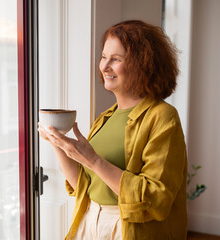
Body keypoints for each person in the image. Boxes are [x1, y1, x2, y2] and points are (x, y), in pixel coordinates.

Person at [38, 20, 187, 240]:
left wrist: (92, 160)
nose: (104, 66)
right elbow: (84, 186)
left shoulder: (163, 116)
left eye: (115, 59)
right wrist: (58, 143)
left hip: (129, 227)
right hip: (90, 220)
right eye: (104, 57)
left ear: (142, 65)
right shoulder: (106, 117)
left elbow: (157, 199)